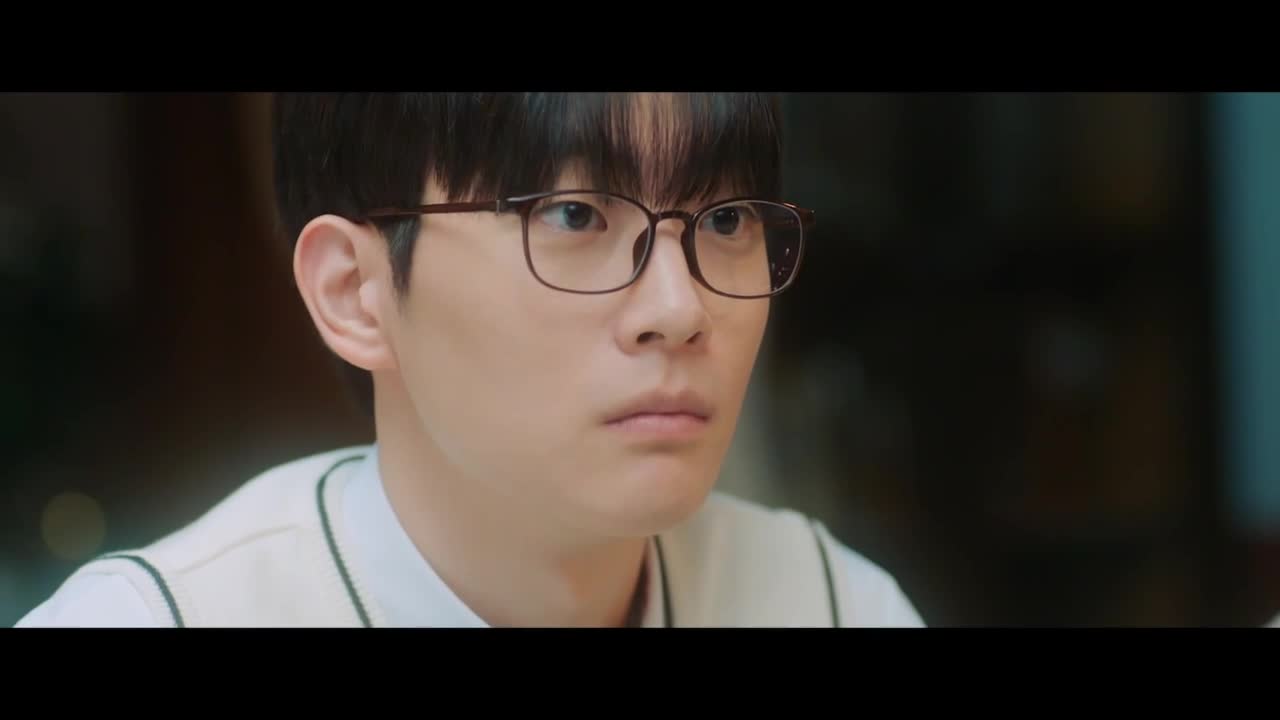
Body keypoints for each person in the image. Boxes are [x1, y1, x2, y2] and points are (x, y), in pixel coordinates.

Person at [15, 92, 924, 628]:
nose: (679, 310)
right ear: (354, 290)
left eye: (725, 219)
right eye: (574, 214)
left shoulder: (828, 603)